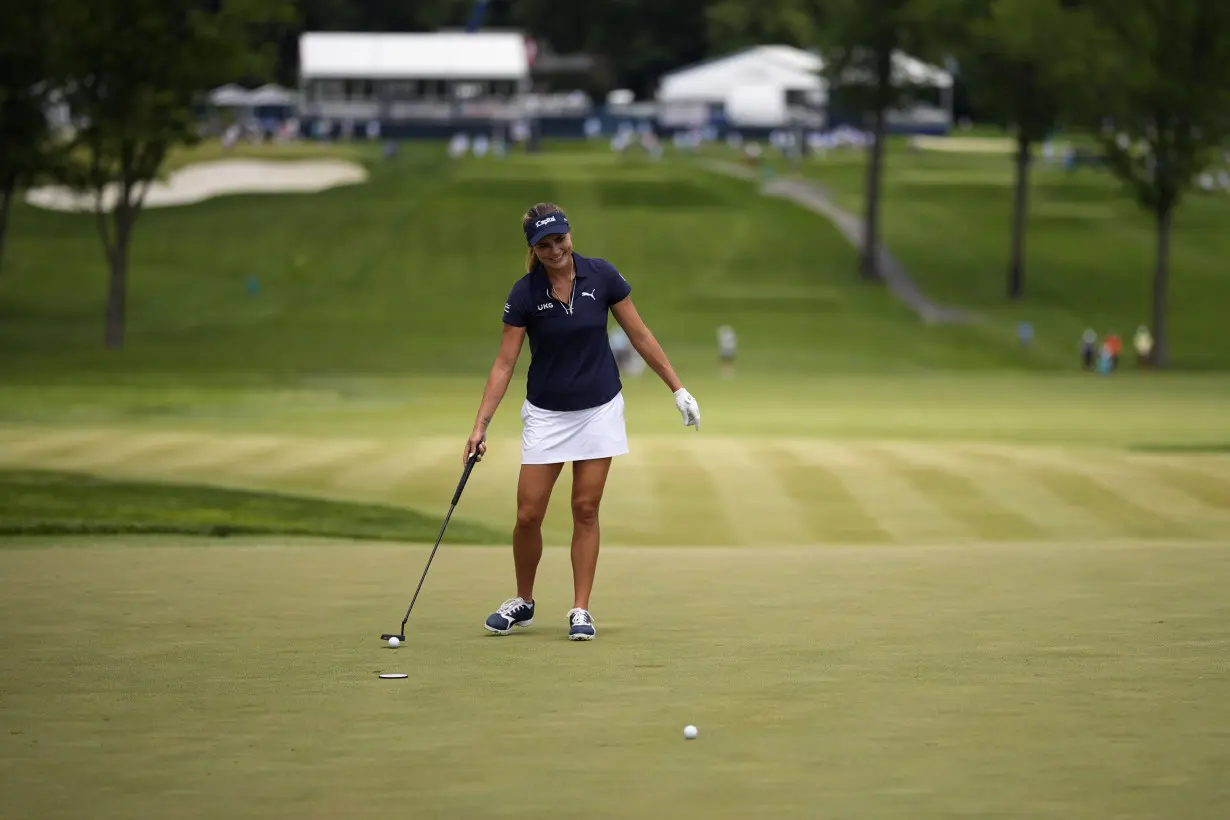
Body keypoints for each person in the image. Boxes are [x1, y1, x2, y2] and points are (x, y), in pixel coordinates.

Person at [464, 202, 701, 641]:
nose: (556, 250)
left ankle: (580, 609)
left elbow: (640, 335)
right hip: (546, 414)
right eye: (545, 244)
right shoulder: (524, 293)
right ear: (533, 248)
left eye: (561, 240)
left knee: (585, 509)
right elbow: (503, 365)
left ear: (571, 235)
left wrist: (677, 388)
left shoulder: (602, 276)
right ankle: (524, 601)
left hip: (598, 410)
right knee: (528, 514)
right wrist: (481, 425)